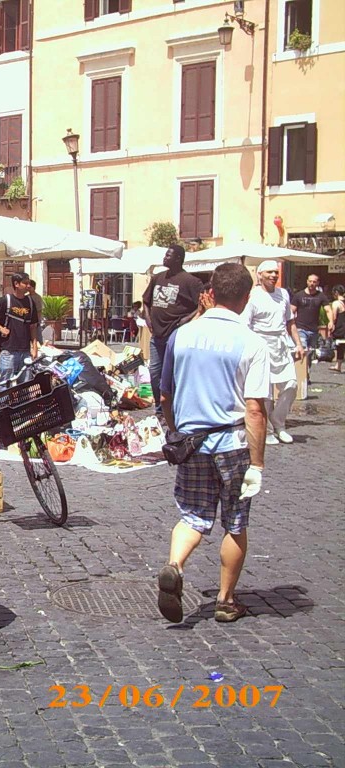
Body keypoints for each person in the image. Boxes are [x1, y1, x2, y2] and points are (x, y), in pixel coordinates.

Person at [156, 263, 270, 624]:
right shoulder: (252, 342)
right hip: (232, 443)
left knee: (192, 515)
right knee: (234, 522)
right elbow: (254, 409)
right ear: (246, 297)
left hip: (192, 443)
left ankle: (174, 565)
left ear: (211, 293)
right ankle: (225, 600)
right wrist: (258, 463)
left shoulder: (182, 335)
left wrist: (177, 431)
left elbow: (165, 395)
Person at [243, 260, 304, 445]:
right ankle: (268, 429)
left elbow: (290, 322)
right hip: (260, 344)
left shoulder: (283, 294)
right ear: (259, 275)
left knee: (291, 384)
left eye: (276, 272)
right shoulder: (252, 296)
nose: (274, 275)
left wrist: (298, 344)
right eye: (269, 272)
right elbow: (245, 325)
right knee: (266, 392)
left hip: (281, 344)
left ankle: (279, 422)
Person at [142, 245, 203, 425]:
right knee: (155, 372)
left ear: (178, 259)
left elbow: (202, 305)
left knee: (174, 374)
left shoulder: (191, 282)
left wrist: (186, 320)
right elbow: (146, 301)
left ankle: (175, 409)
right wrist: (147, 318)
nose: (165, 257)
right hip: (157, 335)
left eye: (168, 255)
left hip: (176, 335)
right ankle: (160, 410)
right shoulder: (157, 278)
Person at [0, 271, 40, 383]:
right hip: (8, 351)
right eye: (25, 283)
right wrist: (0, 328)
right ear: (16, 284)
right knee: (5, 385)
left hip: (25, 351)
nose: (28, 286)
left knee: (25, 386)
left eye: (29, 283)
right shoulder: (6, 300)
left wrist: (34, 347)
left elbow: (33, 326)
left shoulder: (31, 302)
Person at [291, 273, 330, 381]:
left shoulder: (321, 296)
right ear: (307, 281)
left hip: (313, 330)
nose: (312, 283)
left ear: (317, 283)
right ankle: (300, 376)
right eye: (310, 281)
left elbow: (327, 309)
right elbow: (291, 310)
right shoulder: (299, 295)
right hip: (300, 328)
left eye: (314, 282)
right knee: (302, 350)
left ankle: (305, 373)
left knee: (310, 354)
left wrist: (330, 321)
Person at [328, 284, 345, 373]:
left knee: (340, 347)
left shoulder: (336, 303)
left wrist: (331, 325)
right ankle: (338, 365)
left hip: (340, 327)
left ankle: (338, 365)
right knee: (341, 346)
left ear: (336, 293)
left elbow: (334, 317)